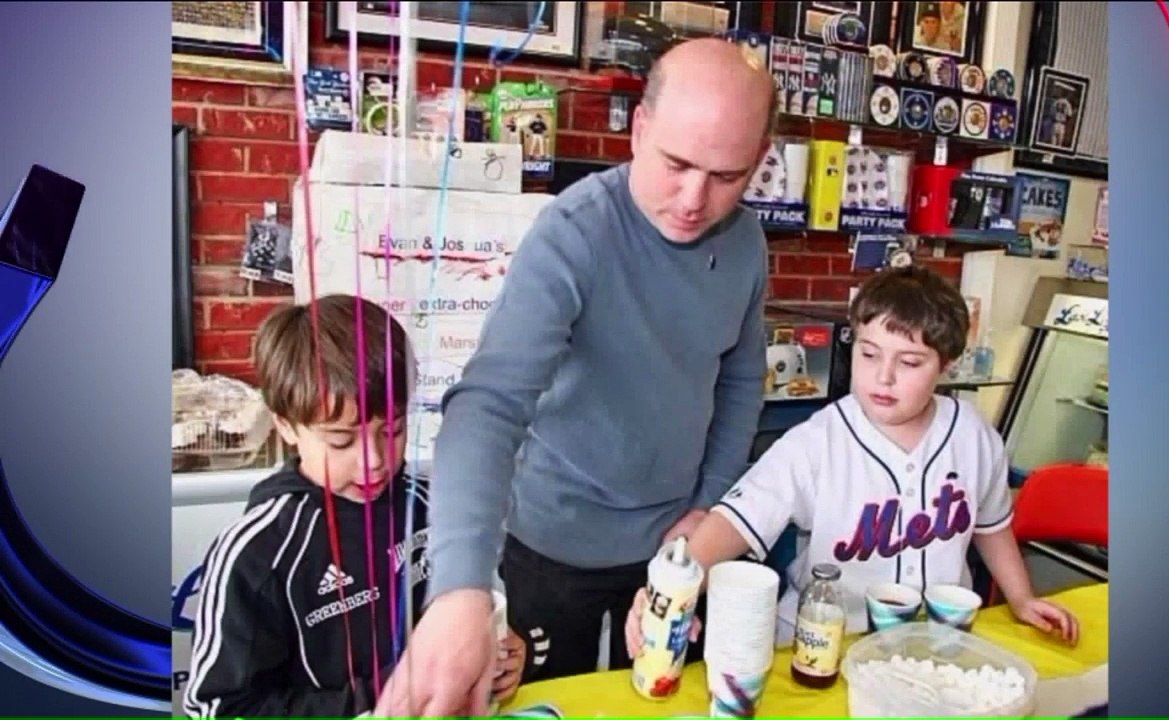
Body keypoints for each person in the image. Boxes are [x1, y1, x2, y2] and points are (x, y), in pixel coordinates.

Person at [373, 38, 778, 717]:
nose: (693, 198)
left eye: (727, 176)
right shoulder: (574, 232)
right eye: (675, 164)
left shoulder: (746, 243)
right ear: (640, 130)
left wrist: (708, 509)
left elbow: (740, 383)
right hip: (549, 547)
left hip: (675, 549)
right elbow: (489, 405)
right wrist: (458, 588)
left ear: (758, 162)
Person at [619, 266, 1082, 654]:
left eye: (910, 362)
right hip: (825, 648)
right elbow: (735, 522)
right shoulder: (817, 441)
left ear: (947, 365)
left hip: (935, 648)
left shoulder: (975, 434)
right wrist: (670, 593)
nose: (883, 376)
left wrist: (1020, 598)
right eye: (869, 354)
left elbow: (991, 525)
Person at [180, 295, 528, 718]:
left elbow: (471, 618)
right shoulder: (256, 554)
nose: (375, 460)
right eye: (341, 440)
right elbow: (216, 708)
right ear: (285, 425)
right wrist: (389, 693)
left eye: (393, 430)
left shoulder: (436, 508)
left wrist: (497, 653)